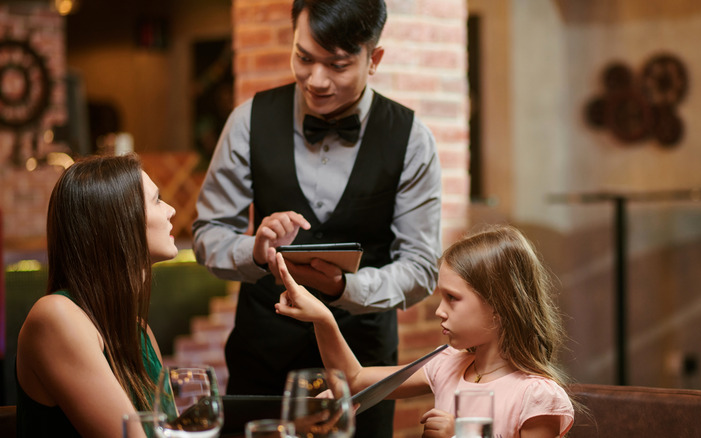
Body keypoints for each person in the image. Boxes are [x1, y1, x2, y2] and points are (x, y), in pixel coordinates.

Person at [191, 0, 441, 435]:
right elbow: (207, 234)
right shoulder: (248, 121)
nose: (317, 80)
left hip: (361, 368)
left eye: (338, 65)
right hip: (262, 359)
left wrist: (347, 288)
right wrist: (253, 249)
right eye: (303, 58)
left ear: (373, 59)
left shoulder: (411, 139)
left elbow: (420, 268)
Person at [275, 224, 575, 438]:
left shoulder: (536, 397)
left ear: (498, 307)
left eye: (452, 298)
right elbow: (354, 381)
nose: (439, 311)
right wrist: (324, 319)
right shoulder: (448, 364)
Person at [15, 154, 178, 438]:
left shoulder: (140, 331)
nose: (172, 210)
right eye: (157, 200)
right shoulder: (56, 317)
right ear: (118, 220)